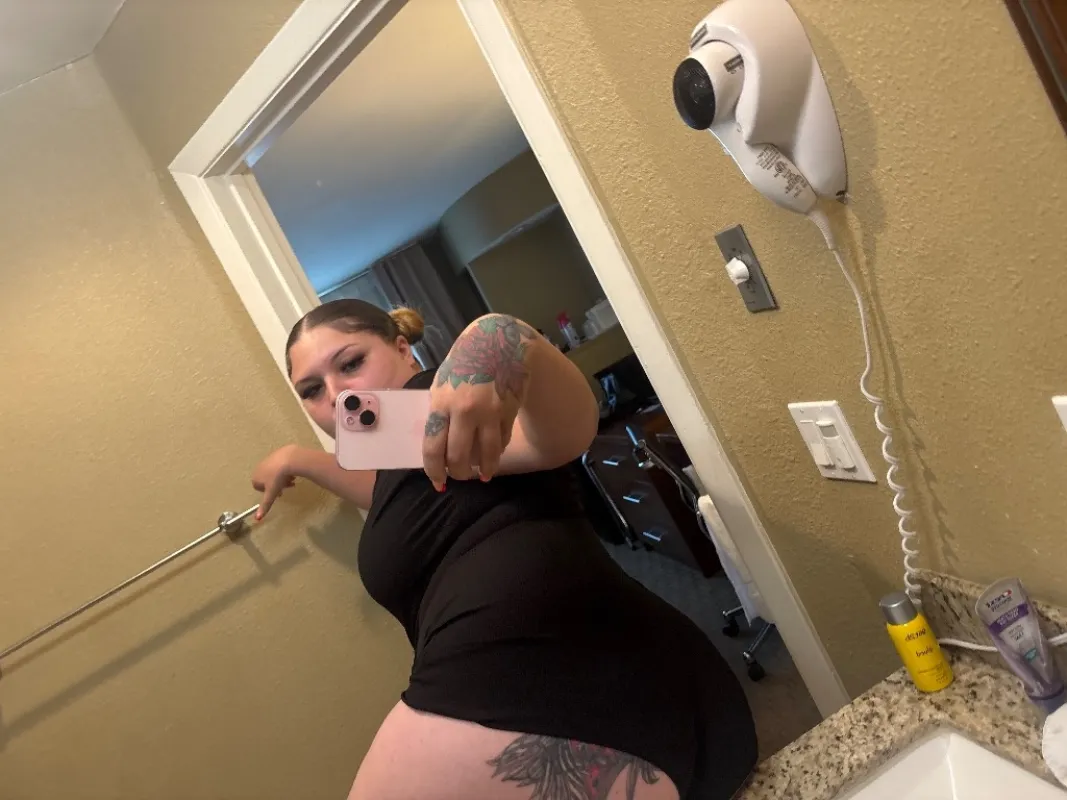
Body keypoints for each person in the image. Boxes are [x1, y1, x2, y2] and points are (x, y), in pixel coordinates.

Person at [252, 299, 758, 800]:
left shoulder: (440, 404)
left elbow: (562, 435)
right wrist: (300, 459)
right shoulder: (403, 452)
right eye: (312, 390)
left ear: (403, 349)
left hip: (589, 686)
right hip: (566, 690)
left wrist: (498, 337)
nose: (337, 395)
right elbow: (395, 493)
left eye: (350, 363)